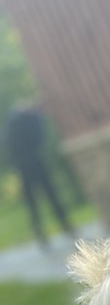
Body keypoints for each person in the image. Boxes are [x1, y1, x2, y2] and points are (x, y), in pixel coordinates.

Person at [4, 102, 73, 246]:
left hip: (30, 164)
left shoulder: (24, 120)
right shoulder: (24, 120)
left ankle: (60, 228)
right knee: (38, 201)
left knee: (44, 199)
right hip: (31, 164)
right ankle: (47, 232)